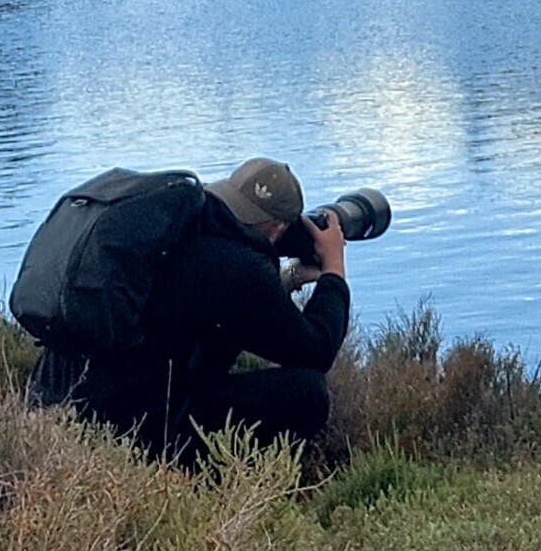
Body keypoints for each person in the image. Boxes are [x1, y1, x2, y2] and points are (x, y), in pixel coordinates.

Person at [28, 157, 350, 462]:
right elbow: (316, 350)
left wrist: (291, 276)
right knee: (307, 394)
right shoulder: (236, 267)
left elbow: (219, 305)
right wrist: (334, 270)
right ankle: (213, 482)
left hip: (55, 400)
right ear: (277, 229)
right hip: (130, 433)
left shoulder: (175, 229)